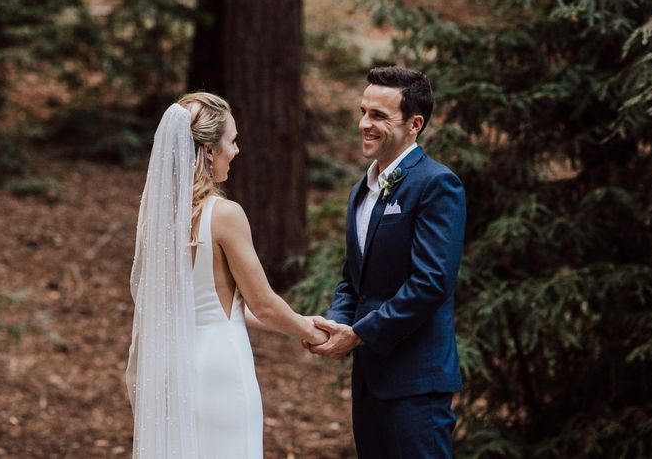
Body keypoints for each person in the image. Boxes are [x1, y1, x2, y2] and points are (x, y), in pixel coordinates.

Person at [126, 92, 327, 459]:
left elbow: (223, 307)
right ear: (208, 151)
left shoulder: (154, 222)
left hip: (173, 371)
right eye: (231, 141)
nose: (236, 150)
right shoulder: (225, 215)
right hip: (220, 370)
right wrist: (312, 332)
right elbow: (263, 304)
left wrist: (300, 321)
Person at [308, 66, 466, 459]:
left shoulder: (436, 184)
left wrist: (359, 333)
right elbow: (353, 279)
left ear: (415, 124)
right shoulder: (361, 189)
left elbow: (430, 282)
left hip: (415, 383)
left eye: (378, 116)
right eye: (363, 112)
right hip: (370, 379)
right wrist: (337, 323)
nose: (364, 124)